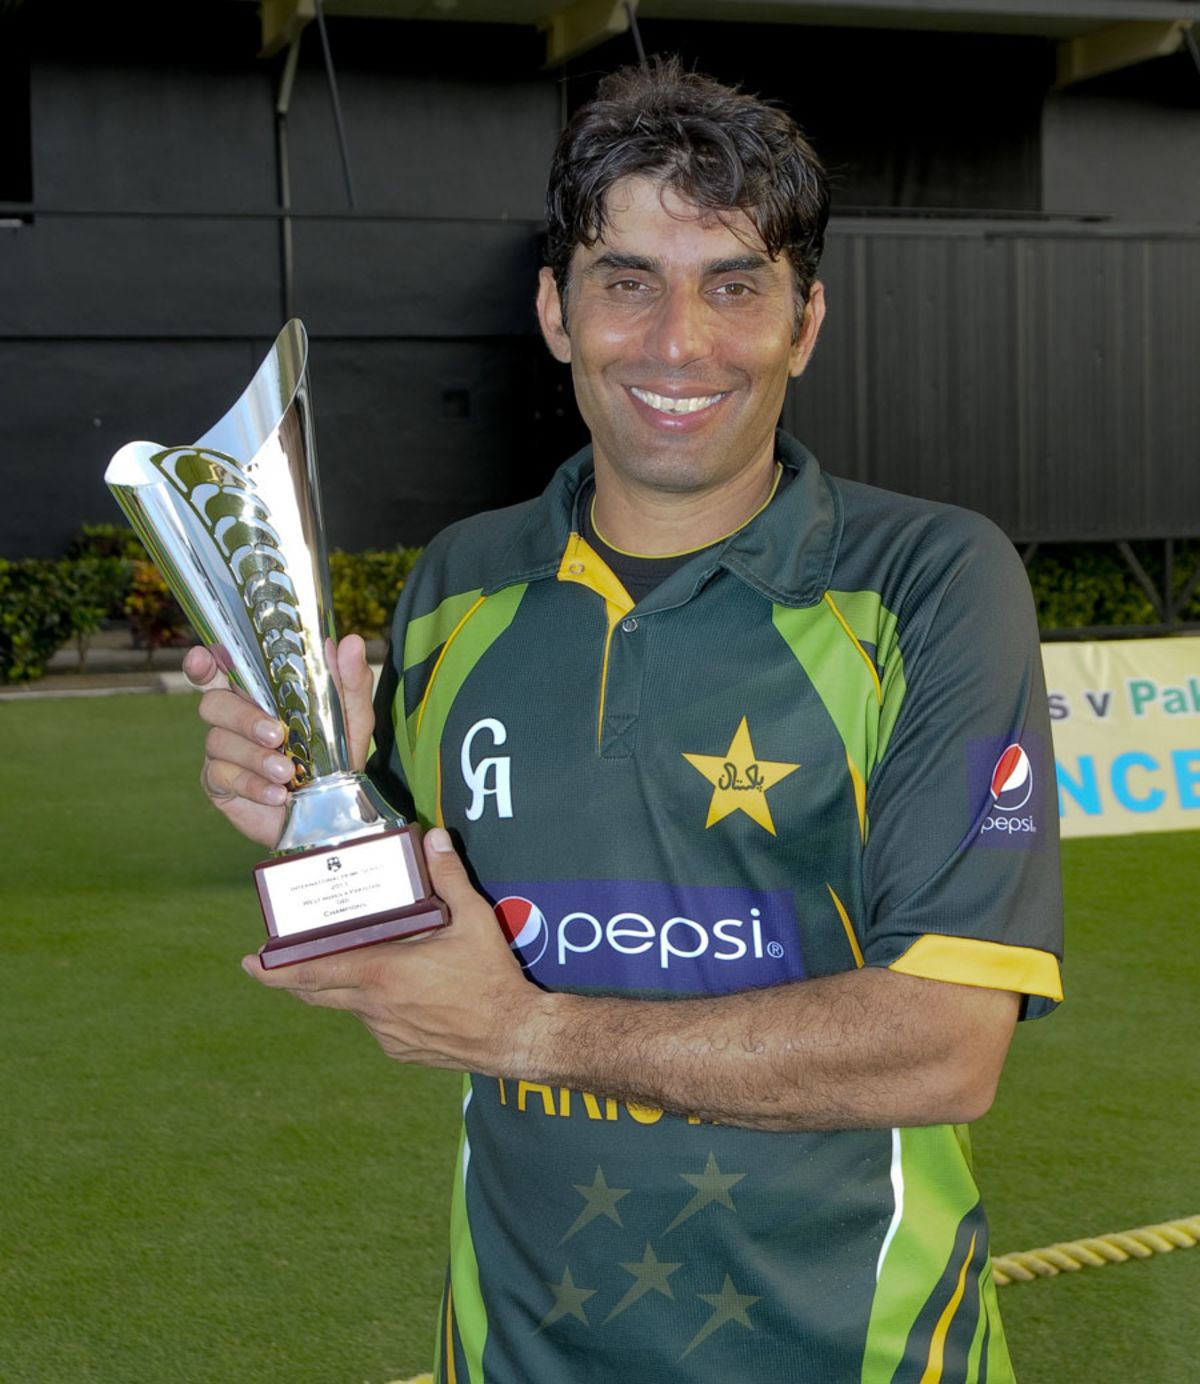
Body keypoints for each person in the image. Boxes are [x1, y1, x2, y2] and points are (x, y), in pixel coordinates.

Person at [187, 58, 1062, 1383]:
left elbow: (945, 1047)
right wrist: (305, 806)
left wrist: (527, 1032)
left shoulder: (928, 584)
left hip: (858, 1355)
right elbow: (419, 927)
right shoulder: (458, 588)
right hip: (519, 1348)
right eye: (627, 280)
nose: (678, 344)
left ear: (804, 322)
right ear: (555, 309)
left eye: (735, 284)